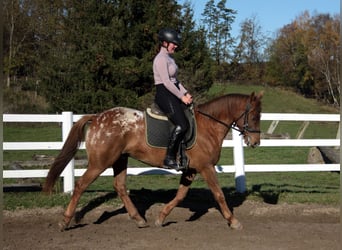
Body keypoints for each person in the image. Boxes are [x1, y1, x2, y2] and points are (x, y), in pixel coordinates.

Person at [153, 28, 193, 171]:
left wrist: (185, 93)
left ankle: (183, 154)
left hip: (172, 93)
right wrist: (181, 96)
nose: (176, 46)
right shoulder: (160, 59)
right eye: (173, 43)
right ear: (165, 43)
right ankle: (169, 158)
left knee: (190, 116)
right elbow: (166, 82)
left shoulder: (170, 58)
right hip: (164, 94)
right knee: (182, 124)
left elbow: (175, 80)